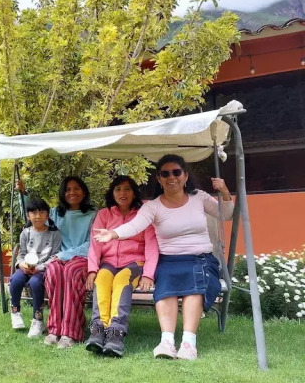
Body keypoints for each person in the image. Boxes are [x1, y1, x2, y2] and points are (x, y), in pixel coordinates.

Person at [94, 154, 233, 361]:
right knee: (165, 286)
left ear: (185, 175)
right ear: (159, 179)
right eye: (165, 173)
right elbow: (135, 225)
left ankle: (188, 343)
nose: (171, 177)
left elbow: (226, 214)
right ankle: (167, 341)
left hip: (200, 258)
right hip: (168, 260)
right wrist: (114, 233)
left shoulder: (199, 197)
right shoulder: (153, 206)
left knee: (194, 285)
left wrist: (225, 192)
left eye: (176, 172)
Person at [17, 176, 97, 348]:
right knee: (52, 271)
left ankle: (70, 332)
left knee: (70, 272)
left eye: (76, 188)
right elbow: (33, 217)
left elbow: (91, 243)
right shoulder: (54, 213)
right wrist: (23, 194)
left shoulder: (92, 214)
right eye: (68, 189)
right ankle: (54, 329)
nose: (72, 192)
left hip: (81, 258)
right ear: (63, 193)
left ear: (84, 192)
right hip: (57, 259)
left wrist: (65, 255)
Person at [84, 176, 159, 357]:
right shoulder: (104, 214)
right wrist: (92, 270)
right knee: (101, 281)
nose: (122, 193)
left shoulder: (143, 215)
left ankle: (116, 334)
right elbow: (95, 244)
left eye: (127, 189)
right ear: (112, 193)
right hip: (108, 263)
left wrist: (148, 274)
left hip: (133, 264)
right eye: (118, 189)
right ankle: (98, 330)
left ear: (134, 193)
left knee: (121, 282)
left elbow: (151, 246)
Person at [9, 198, 62, 338]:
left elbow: (55, 256)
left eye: (42, 212)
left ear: (47, 215)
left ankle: (37, 319)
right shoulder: (25, 233)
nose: (38, 216)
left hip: (43, 269)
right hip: (26, 267)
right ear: (28, 216)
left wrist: (39, 267)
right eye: (33, 212)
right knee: (15, 279)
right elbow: (21, 254)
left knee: (35, 283)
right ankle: (15, 312)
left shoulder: (54, 234)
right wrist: (21, 264)